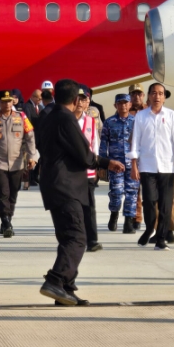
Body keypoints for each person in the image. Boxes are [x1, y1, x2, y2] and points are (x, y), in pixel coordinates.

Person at [38, 79, 124, 306]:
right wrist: (106, 162)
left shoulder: (48, 117)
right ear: (76, 99)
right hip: (66, 186)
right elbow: (85, 155)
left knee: (68, 237)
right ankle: (56, 280)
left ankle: (65, 289)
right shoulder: (66, 119)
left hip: (54, 185)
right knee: (77, 237)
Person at [129, 83, 174, 250]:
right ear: (149, 95)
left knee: (165, 204)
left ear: (164, 97)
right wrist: (134, 165)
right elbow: (135, 142)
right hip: (147, 166)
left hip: (167, 167)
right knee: (149, 201)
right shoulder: (141, 116)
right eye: (154, 93)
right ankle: (149, 228)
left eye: (161, 93)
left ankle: (161, 239)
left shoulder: (171, 115)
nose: (157, 96)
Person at [0, 90, 38, 238]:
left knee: (13, 193)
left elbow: (30, 137)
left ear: (13, 102)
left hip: (17, 162)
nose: (7, 104)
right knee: (3, 192)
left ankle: (7, 220)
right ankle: (5, 221)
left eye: (9, 101)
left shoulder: (22, 117)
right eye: (4, 101)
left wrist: (32, 157)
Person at [100, 93, 139, 234]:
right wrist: (104, 163)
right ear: (115, 105)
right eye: (120, 103)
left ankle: (129, 221)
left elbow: (141, 143)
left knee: (132, 193)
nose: (123, 105)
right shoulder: (109, 123)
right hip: (115, 164)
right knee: (116, 191)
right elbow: (103, 143)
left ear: (130, 105)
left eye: (125, 103)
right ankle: (114, 214)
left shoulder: (136, 122)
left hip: (133, 164)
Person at [74, 86, 103, 252]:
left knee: (89, 207)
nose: (80, 102)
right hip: (70, 173)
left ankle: (92, 240)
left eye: (83, 99)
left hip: (88, 172)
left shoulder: (91, 121)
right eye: (77, 99)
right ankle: (76, 238)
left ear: (87, 102)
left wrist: (97, 166)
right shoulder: (67, 121)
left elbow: (95, 146)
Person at [128, 83, 147, 231]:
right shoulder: (126, 112)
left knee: (151, 191)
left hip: (148, 155)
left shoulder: (149, 111)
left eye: (139, 94)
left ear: (143, 95)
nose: (136, 96)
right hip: (132, 156)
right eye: (133, 94)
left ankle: (153, 218)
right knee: (134, 190)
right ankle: (136, 218)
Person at [24, 89, 44, 187]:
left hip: (39, 136)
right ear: (33, 96)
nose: (40, 100)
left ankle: (35, 175)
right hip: (31, 136)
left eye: (41, 99)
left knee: (40, 157)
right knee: (31, 156)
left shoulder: (39, 107)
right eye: (38, 98)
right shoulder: (27, 106)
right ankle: (30, 177)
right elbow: (28, 122)